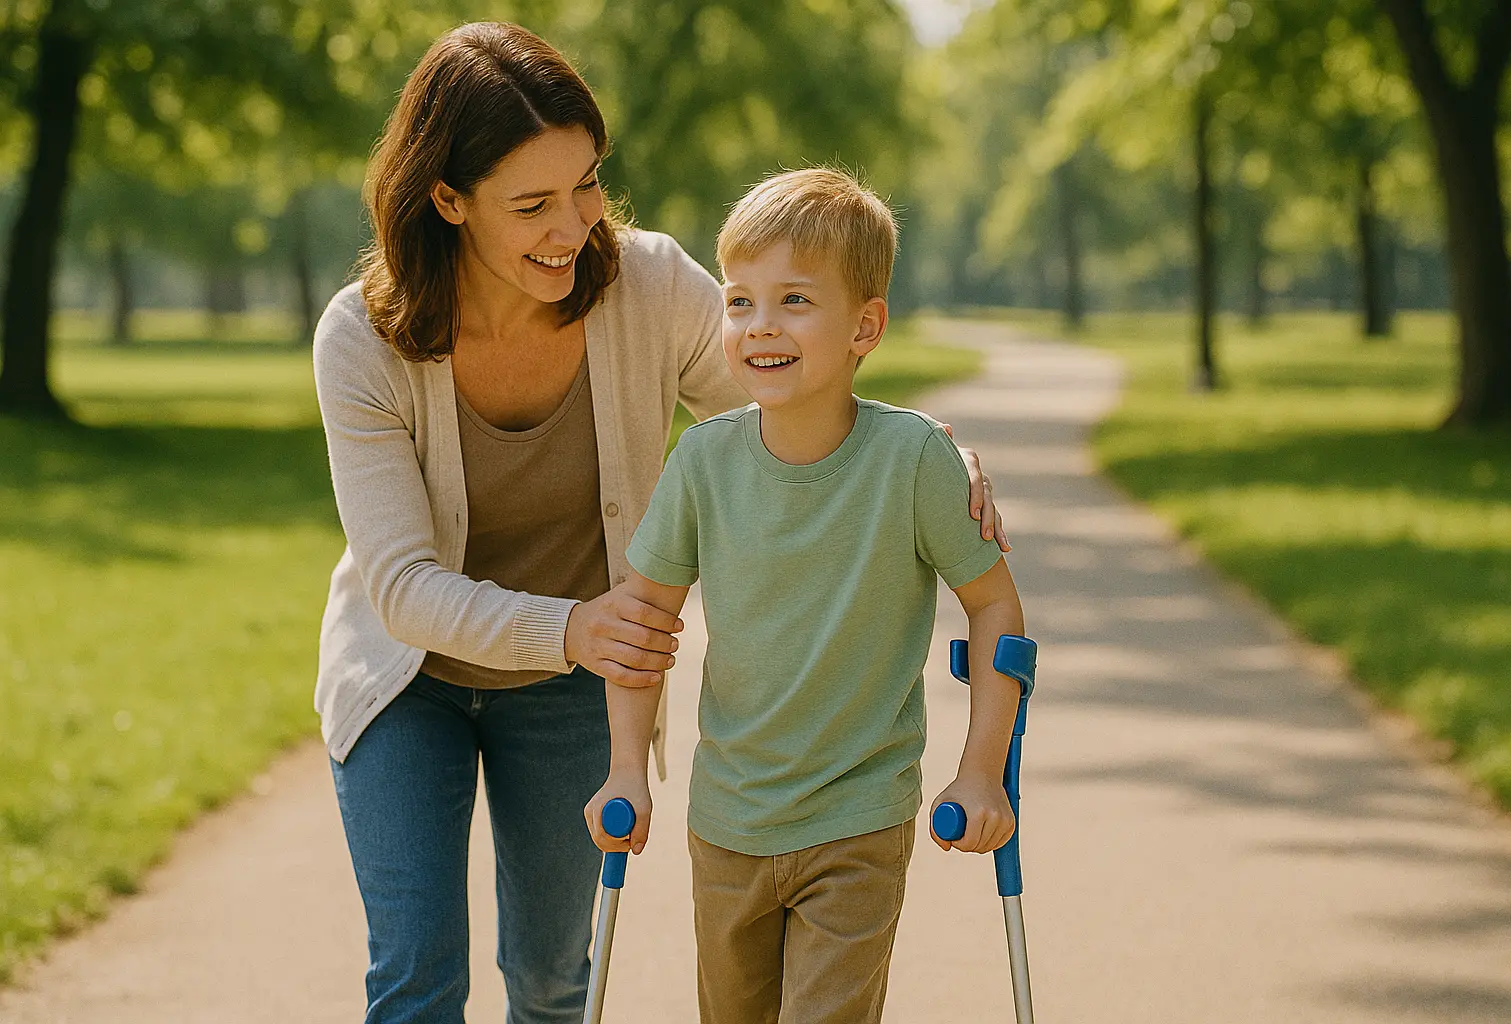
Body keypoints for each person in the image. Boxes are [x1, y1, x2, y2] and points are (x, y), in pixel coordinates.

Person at [312, 23, 1007, 1024]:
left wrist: (931, 449)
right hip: (407, 677)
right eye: (532, 203)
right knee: (417, 978)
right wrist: (573, 625)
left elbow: (799, 399)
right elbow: (402, 586)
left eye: (587, 184)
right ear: (449, 200)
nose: (573, 225)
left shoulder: (644, 286)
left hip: (568, 691)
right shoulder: (363, 338)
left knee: (554, 980)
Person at [584, 168, 1028, 1024]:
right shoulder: (703, 464)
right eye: (740, 301)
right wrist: (626, 770)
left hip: (856, 819)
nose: (761, 327)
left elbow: (997, 609)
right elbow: (641, 624)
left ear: (866, 325)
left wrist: (981, 775)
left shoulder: (914, 463)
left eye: (793, 300)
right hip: (727, 824)